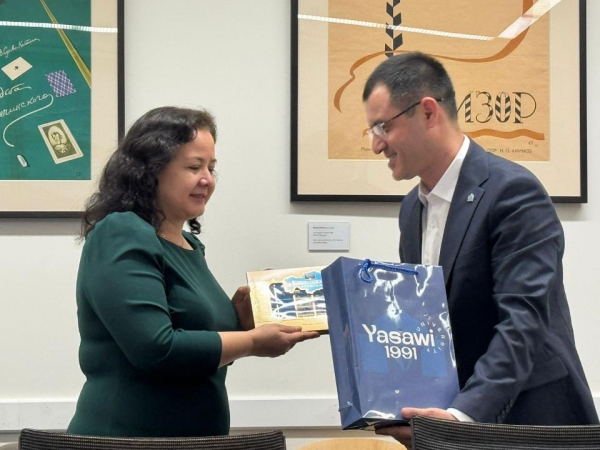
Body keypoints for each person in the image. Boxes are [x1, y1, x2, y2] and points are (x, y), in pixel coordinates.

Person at [362, 52, 598, 445]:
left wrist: (461, 416)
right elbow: (427, 328)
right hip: (452, 425)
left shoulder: (512, 192)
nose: (376, 145)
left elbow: (523, 323)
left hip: (531, 423)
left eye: (383, 126)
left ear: (428, 112)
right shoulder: (411, 209)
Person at [67, 106, 319, 437]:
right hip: (127, 439)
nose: (207, 180)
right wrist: (251, 341)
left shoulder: (190, 245)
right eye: (194, 167)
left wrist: (241, 321)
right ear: (150, 170)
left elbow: (195, 348)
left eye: (211, 168)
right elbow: (156, 350)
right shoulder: (122, 231)